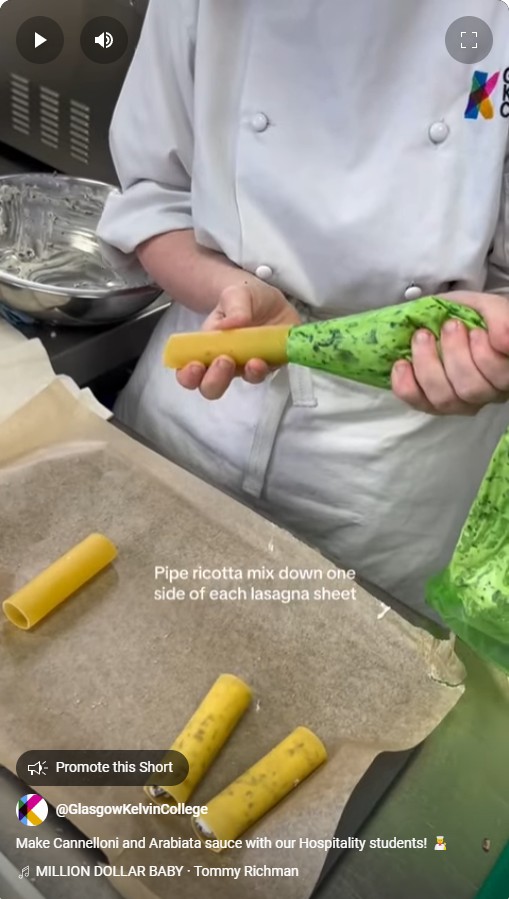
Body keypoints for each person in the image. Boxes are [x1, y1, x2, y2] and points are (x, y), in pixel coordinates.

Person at [97, 0, 509, 618]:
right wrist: (227, 292)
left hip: (393, 473)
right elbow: (153, 200)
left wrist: (484, 354)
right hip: (197, 408)